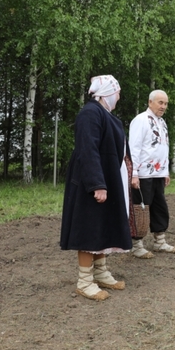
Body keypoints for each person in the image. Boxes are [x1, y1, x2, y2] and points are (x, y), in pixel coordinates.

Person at [60, 75, 131, 301]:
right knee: (90, 228)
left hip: (107, 179)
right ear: (108, 91)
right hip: (91, 182)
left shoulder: (106, 115)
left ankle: (100, 272)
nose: (119, 97)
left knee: (103, 226)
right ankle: (84, 281)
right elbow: (87, 149)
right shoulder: (90, 113)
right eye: (117, 92)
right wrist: (97, 184)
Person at [129, 90, 175, 258]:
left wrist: (165, 171)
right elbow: (134, 147)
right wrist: (134, 173)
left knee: (159, 207)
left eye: (165, 103)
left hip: (158, 173)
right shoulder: (140, 120)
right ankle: (136, 244)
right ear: (150, 102)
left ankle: (159, 241)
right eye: (160, 102)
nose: (163, 106)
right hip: (143, 174)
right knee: (141, 209)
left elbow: (162, 148)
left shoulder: (162, 122)